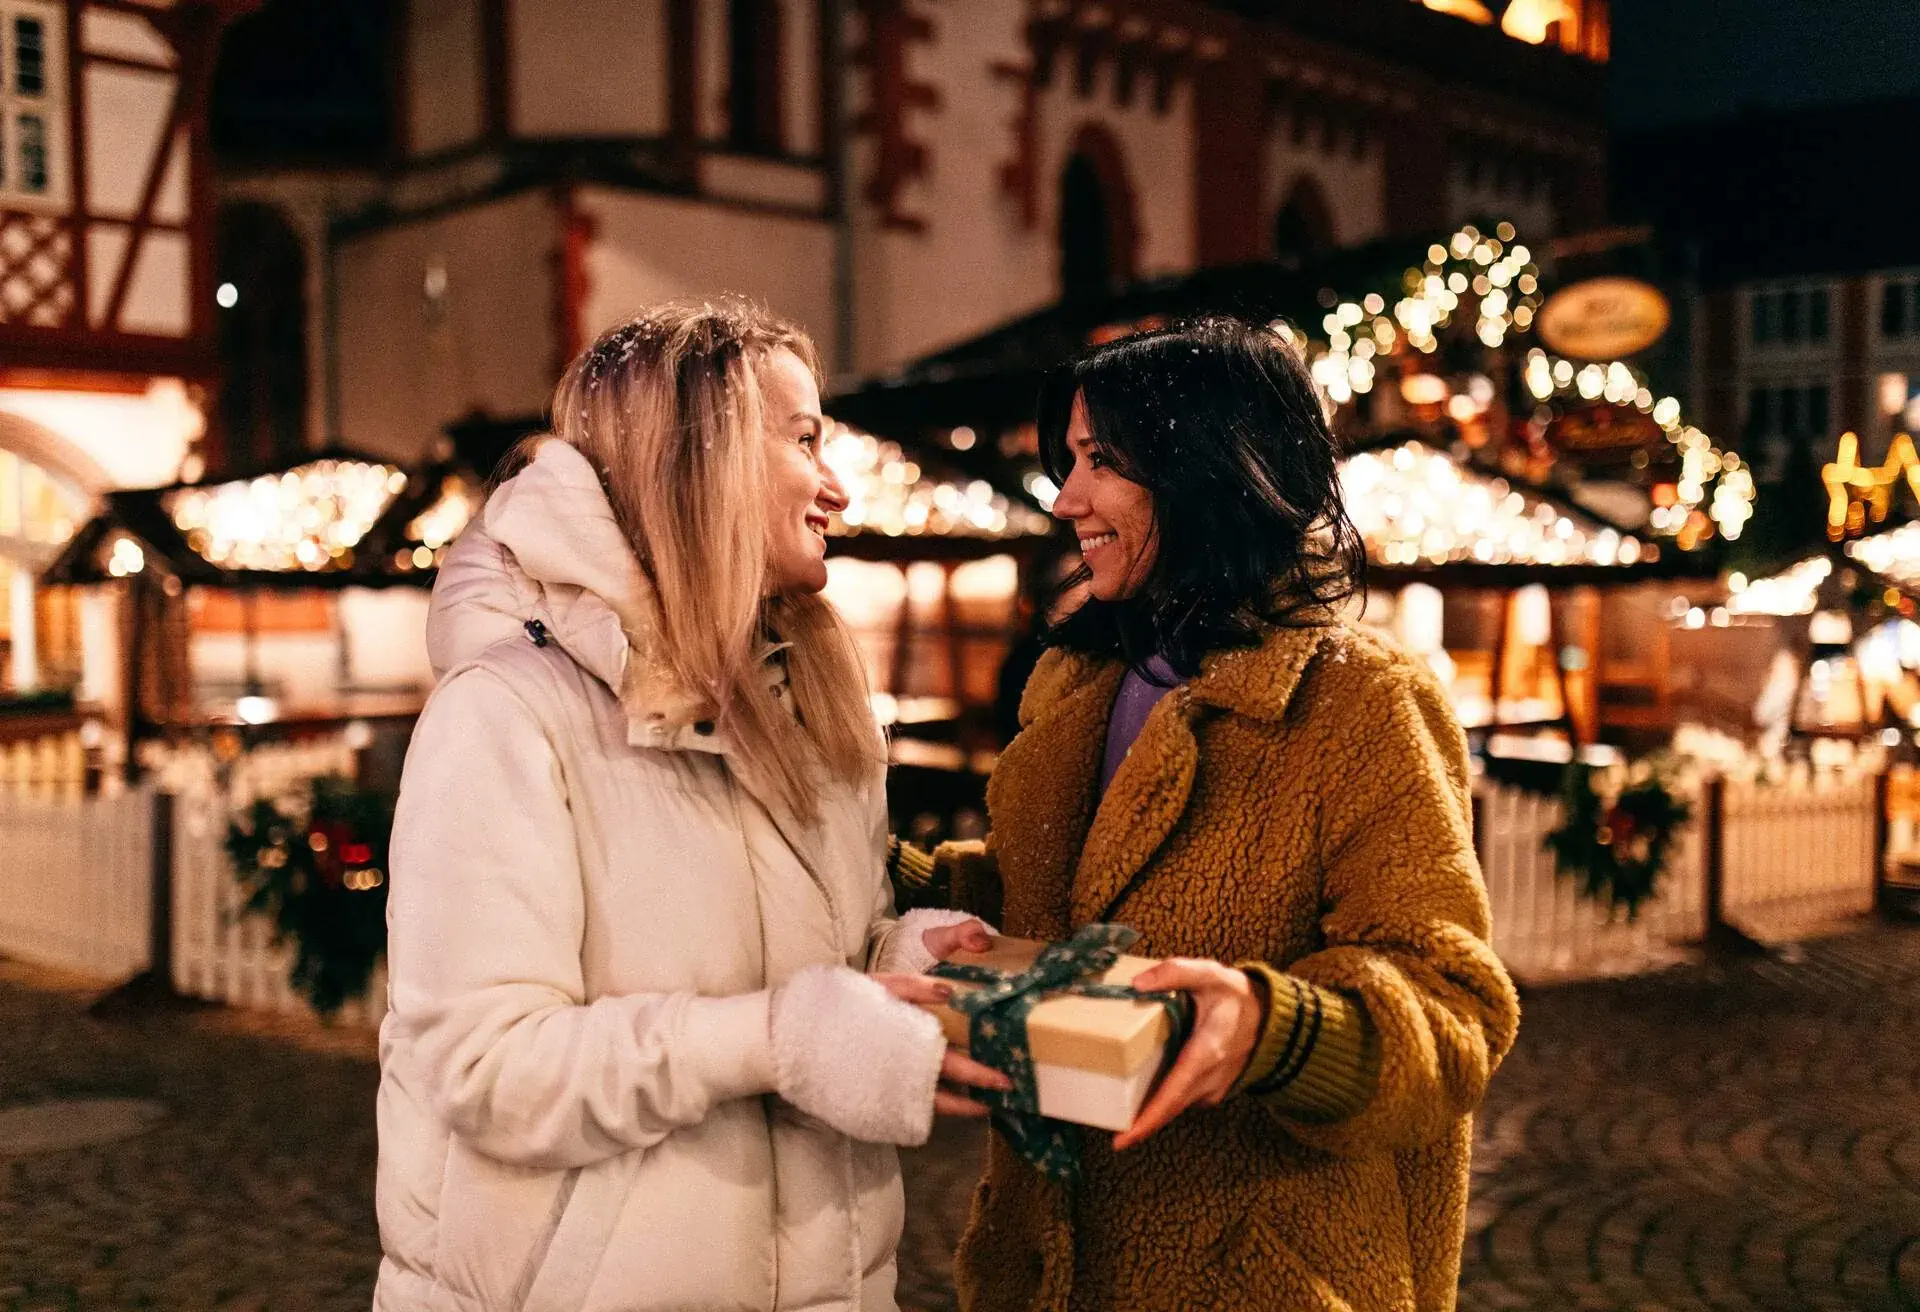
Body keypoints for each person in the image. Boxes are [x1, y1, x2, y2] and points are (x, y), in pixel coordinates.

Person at [372, 297, 1002, 1312]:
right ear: (700, 462)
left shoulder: (810, 703)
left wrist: (896, 963)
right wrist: (781, 1038)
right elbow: (487, 1069)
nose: (837, 486)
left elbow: (787, 973)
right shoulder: (506, 716)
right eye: (805, 442)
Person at [917, 317, 1521, 1311]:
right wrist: (895, 874)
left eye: (1101, 461)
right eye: (1068, 461)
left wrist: (1270, 1029)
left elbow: (1454, 1005)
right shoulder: (1078, 685)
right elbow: (1042, 900)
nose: (1066, 498)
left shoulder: (1357, 701)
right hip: (1050, 1273)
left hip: (1258, 1280)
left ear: (1204, 473)